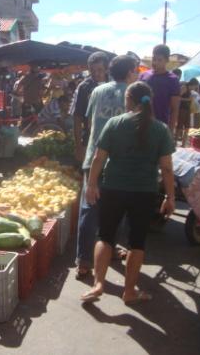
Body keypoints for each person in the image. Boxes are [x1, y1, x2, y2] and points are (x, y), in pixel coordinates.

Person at [81, 81, 176, 304]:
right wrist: (170, 197)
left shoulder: (115, 123)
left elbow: (98, 158)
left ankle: (98, 284)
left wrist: (92, 184)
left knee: (105, 236)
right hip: (144, 192)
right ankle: (130, 291)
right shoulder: (161, 129)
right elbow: (167, 168)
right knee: (137, 242)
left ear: (129, 100)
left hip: (113, 188)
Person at [75, 55, 138, 279]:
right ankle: (108, 251)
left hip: (93, 158)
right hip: (119, 163)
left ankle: (83, 261)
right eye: (135, 71)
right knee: (115, 211)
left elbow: (91, 121)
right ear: (130, 72)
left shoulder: (98, 91)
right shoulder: (133, 95)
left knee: (88, 209)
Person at [70, 51, 112, 165]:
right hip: (90, 141)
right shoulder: (84, 88)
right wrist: (78, 147)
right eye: (92, 71)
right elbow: (77, 118)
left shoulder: (116, 85)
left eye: (100, 70)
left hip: (113, 142)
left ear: (107, 68)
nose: (96, 74)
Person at [139, 44, 180, 135]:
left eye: (159, 60)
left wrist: (170, 132)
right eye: (154, 59)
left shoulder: (172, 80)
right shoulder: (143, 76)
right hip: (141, 125)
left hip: (161, 127)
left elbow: (174, 109)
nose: (155, 62)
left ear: (167, 61)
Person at [176, 82, 192, 146]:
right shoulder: (184, 87)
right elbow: (178, 98)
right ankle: (175, 142)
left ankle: (183, 144)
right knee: (180, 126)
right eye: (195, 86)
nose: (195, 88)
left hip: (187, 109)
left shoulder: (190, 91)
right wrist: (188, 99)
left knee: (187, 127)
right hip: (182, 109)